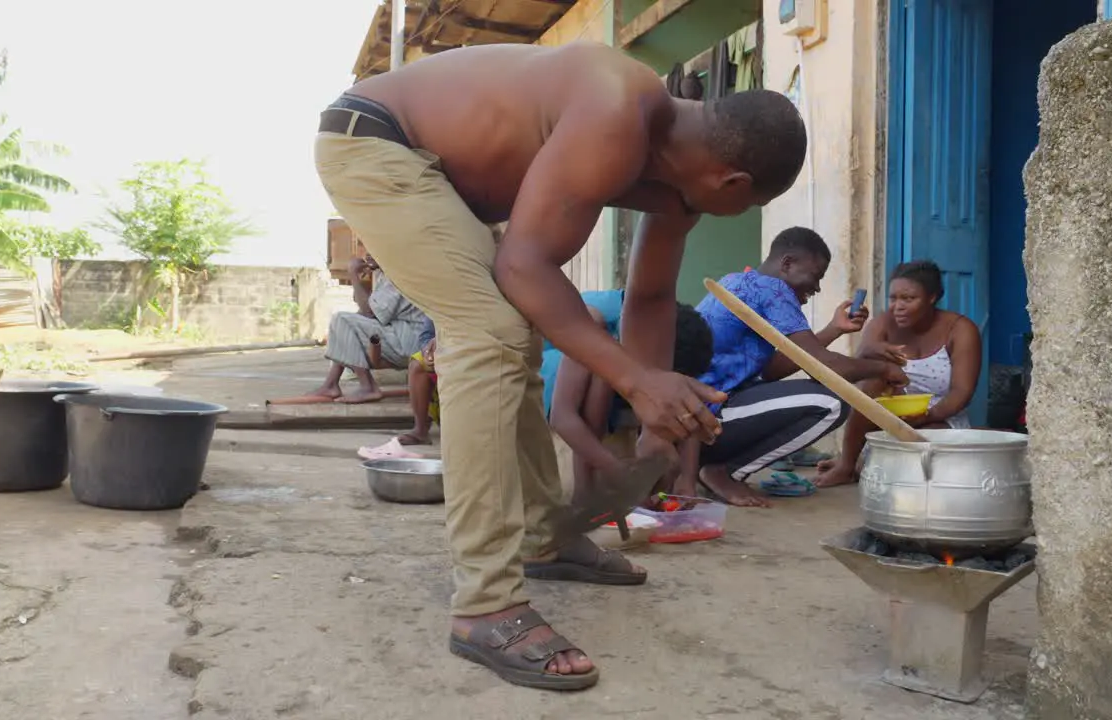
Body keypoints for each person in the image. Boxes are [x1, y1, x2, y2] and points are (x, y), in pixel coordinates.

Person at [314, 41, 808, 690]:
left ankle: (543, 538)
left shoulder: (678, 184)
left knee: (512, 331)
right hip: (377, 140)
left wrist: (656, 420)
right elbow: (524, 265)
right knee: (489, 333)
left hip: (441, 176)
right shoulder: (617, 110)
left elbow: (651, 299)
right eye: (744, 208)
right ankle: (486, 606)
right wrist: (637, 379)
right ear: (732, 183)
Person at [686, 227, 909, 507]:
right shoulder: (773, 289)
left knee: (813, 395)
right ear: (787, 263)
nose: (816, 288)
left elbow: (772, 370)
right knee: (830, 403)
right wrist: (883, 369)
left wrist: (833, 330)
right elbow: (823, 366)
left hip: (698, 414)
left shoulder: (738, 281)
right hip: (708, 413)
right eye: (815, 277)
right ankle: (724, 471)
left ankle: (712, 466)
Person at [816, 260, 983, 488]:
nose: (898, 306)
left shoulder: (960, 330)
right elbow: (856, 370)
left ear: (932, 297)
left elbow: (962, 392)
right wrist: (872, 349)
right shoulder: (884, 323)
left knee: (926, 452)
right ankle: (847, 464)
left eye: (908, 299)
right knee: (872, 383)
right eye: (893, 298)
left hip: (938, 417)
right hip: (891, 414)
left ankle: (865, 462)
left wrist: (928, 416)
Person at [545, 299, 714, 511]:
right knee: (603, 373)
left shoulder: (662, 322)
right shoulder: (592, 324)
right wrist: (615, 471)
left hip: (620, 381)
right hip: (551, 388)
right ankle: (584, 493)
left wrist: (687, 481)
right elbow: (563, 418)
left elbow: (684, 405)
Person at [310, 255, 433, 403]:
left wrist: (353, 275)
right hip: (400, 334)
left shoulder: (398, 274)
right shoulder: (385, 272)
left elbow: (368, 312)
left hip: (410, 341)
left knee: (342, 320)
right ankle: (331, 384)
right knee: (345, 323)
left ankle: (368, 387)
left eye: (372, 249)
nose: (368, 255)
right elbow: (363, 313)